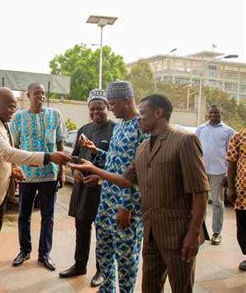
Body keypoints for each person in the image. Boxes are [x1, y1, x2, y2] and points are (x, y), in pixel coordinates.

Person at [70, 94, 209, 293]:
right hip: (151, 231)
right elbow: (127, 180)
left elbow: (200, 192)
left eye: (142, 114)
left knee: (181, 286)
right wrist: (94, 169)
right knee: (150, 286)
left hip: (177, 233)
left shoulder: (185, 140)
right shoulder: (143, 147)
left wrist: (193, 233)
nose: (139, 118)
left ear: (158, 113)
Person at [0, 87, 71, 293]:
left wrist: (12, 170)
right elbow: (6, 152)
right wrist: (47, 157)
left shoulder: (0, 123)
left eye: (15, 106)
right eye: (9, 106)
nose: (13, 110)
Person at [78, 81, 144, 293]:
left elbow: (139, 173)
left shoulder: (142, 128)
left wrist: (127, 206)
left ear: (127, 101)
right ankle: (107, 288)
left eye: (113, 104)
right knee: (104, 251)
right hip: (106, 203)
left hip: (126, 207)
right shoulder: (121, 126)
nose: (111, 108)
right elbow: (115, 161)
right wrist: (96, 150)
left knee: (126, 258)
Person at [58, 89, 115, 287]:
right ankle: (79, 265)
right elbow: (74, 157)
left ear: (108, 108)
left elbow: (117, 164)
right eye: (92, 109)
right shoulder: (84, 129)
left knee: (103, 233)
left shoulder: (115, 130)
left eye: (100, 108)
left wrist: (98, 178)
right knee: (81, 230)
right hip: (82, 189)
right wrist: (75, 173)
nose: (96, 112)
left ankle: (102, 270)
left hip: (103, 191)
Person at [10, 82, 67, 272]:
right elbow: (14, 148)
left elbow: (60, 144)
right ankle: (24, 250)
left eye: (43, 93)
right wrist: (15, 168)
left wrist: (62, 171)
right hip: (26, 175)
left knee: (47, 216)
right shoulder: (18, 118)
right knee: (23, 215)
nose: (41, 96)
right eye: (37, 93)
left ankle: (44, 254)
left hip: (49, 174)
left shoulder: (55, 115)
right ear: (28, 95)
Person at [196, 104, 235, 245]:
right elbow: (195, 150)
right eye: (211, 112)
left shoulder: (229, 131)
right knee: (200, 201)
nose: (213, 115)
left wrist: (227, 174)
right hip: (201, 171)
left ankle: (216, 233)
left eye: (216, 113)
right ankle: (200, 231)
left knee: (218, 203)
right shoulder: (200, 129)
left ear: (221, 113)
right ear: (208, 113)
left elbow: (231, 155)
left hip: (219, 172)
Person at [226, 128, 246, 271]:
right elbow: (232, 162)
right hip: (243, 193)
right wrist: (231, 187)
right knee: (244, 227)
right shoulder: (238, 136)